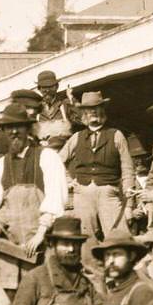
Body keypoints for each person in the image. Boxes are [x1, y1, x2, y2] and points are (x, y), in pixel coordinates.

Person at [0, 102, 68, 283]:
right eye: (9, 128)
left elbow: (56, 200)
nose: (13, 132)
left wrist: (40, 235)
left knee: (40, 289)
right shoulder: (1, 164)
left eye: (18, 126)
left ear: (28, 129)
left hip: (37, 245)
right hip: (7, 249)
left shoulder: (47, 157)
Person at [59, 90, 137, 252]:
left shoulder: (116, 135)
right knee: (85, 242)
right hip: (83, 195)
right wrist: (68, 181)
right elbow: (57, 162)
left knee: (119, 239)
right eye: (89, 109)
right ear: (83, 113)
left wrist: (129, 206)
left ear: (103, 110)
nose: (93, 112)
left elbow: (128, 171)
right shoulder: (76, 137)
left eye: (97, 107)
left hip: (109, 193)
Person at [35, 70, 76, 147]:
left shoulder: (65, 104)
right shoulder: (36, 110)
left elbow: (82, 121)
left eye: (50, 86)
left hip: (66, 150)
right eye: (44, 87)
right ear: (39, 89)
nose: (47, 90)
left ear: (57, 86)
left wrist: (72, 100)